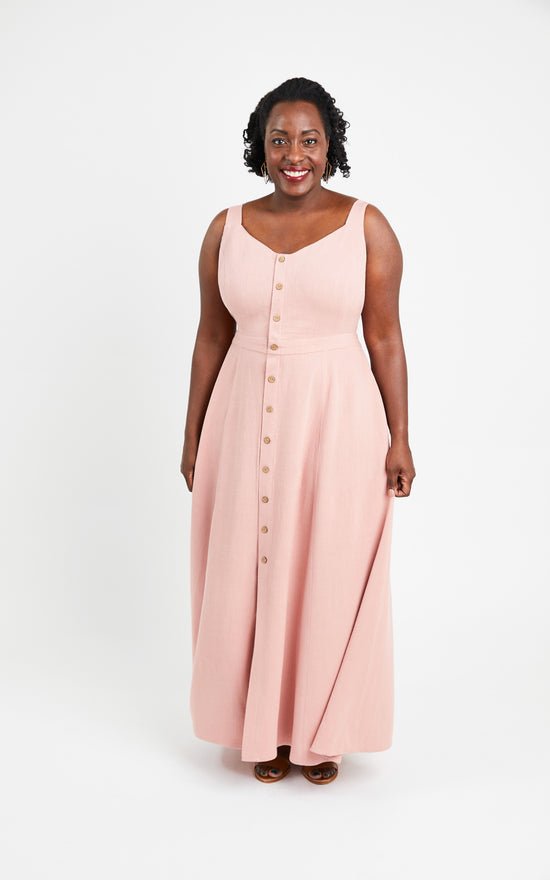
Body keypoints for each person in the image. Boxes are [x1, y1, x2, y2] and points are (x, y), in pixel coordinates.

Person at [180, 76, 415, 785]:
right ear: (259, 147)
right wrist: (192, 436)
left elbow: (385, 338)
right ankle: (263, 730)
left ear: (330, 145)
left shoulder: (367, 226)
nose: (294, 154)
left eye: (309, 140)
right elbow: (211, 338)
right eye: (279, 139)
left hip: (338, 423)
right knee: (246, 570)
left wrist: (400, 436)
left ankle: (321, 735)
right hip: (240, 419)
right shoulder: (224, 229)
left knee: (328, 569)